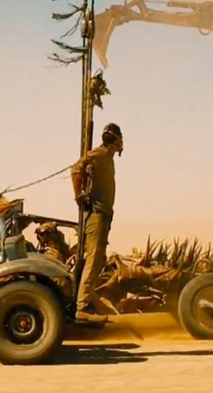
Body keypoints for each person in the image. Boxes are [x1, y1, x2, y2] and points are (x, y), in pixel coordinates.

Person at [70, 122, 123, 322]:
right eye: (120, 138)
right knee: (93, 259)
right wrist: (79, 195)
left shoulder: (107, 157)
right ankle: (82, 307)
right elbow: (76, 169)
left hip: (104, 215)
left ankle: (86, 298)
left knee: (97, 259)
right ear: (115, 140)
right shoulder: (99, 154)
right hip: (97, 215)